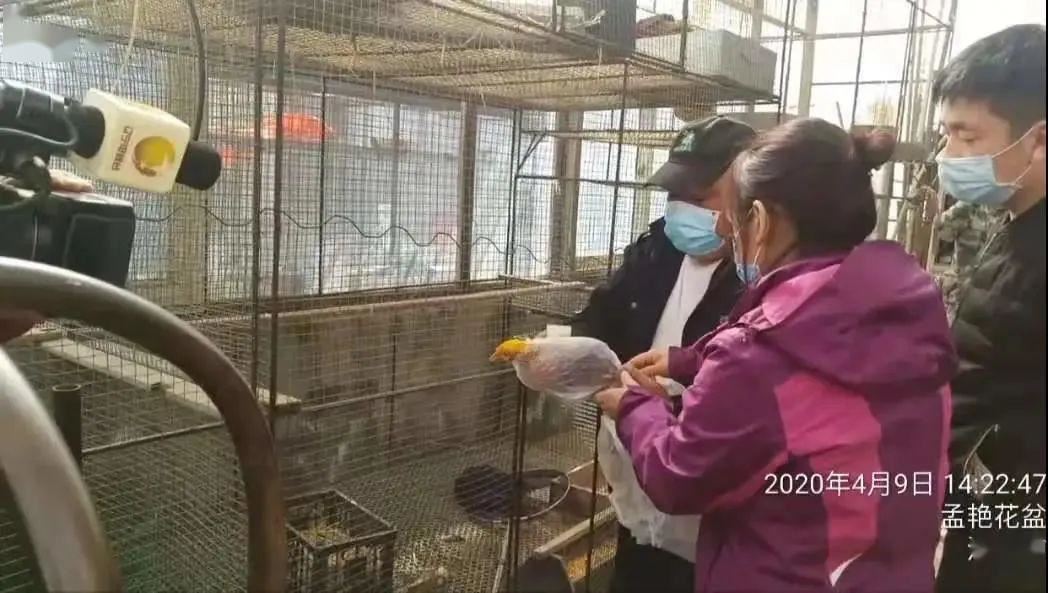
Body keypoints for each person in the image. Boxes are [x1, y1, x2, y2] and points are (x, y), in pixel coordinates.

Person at [596, 117, 957, 592]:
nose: (723, 227)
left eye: (734, 215)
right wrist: (694, 362)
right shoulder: (901, 310)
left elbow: (678, 475)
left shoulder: (758, 353)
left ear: (762, 221)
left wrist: (634, 407)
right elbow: (811, 397)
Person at [571, 115, 755, 593]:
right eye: (674, 195)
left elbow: (744, 406)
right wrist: (570, 355)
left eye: (699, 197)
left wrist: (663, 407)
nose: (681, 210)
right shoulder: (658, 249)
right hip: (638, 485)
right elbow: (601, 314)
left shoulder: (756, 282)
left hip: (709, 516)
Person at [931, 24, 1046, 593]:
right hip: (985, 519)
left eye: (967, 136)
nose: (947, 155)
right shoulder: (1016, 227)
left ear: (1039, 139)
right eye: (945, 134)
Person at [934, 199, 1005, 319]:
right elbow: (943, 231)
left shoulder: (1021, 212)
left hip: (994, 298)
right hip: (963, 292)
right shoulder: (969, 206)